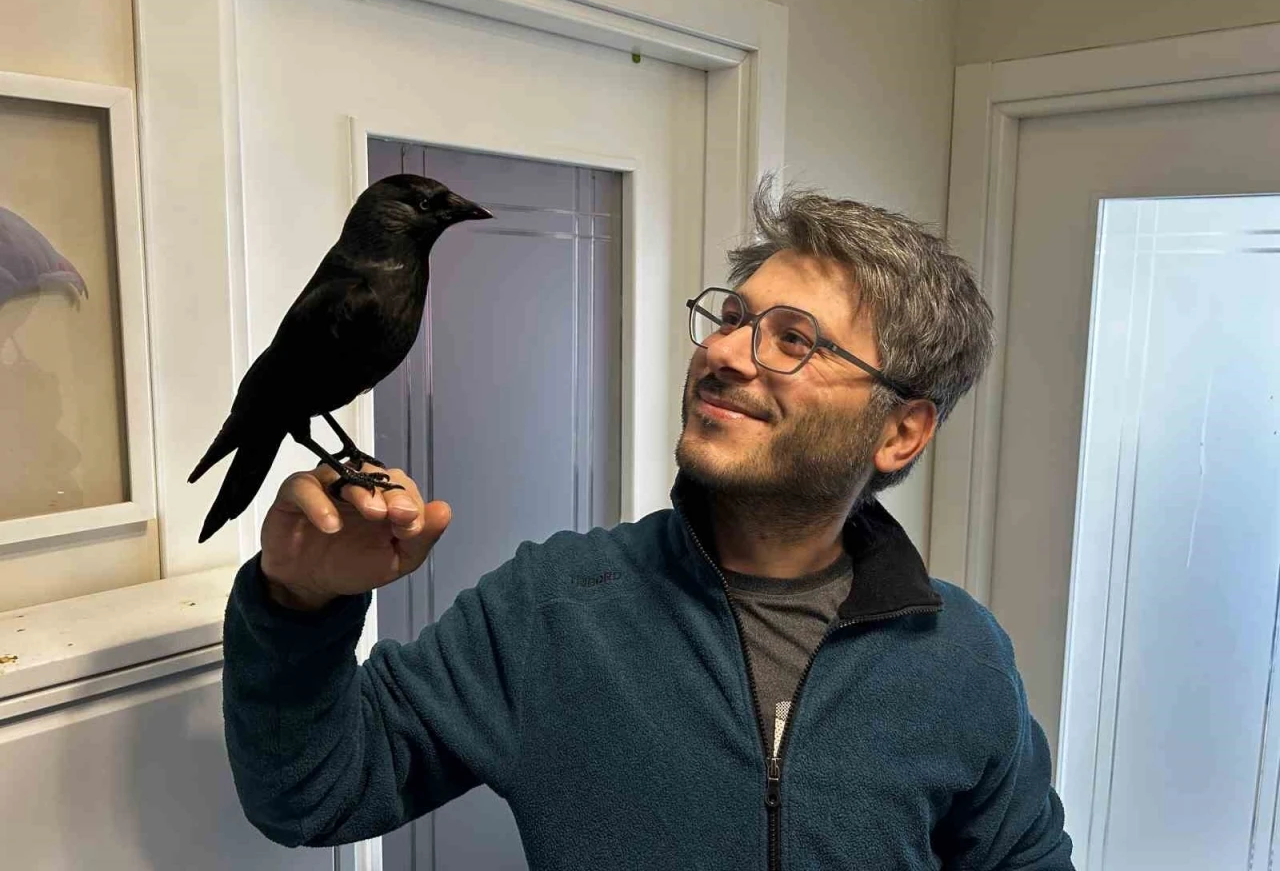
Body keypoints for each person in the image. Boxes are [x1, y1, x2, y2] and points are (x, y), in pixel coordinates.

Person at [223, 178, 1073, 869]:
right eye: (733, 319)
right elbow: (313, 796)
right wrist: (297, 604)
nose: (724, 353)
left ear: (900, 432)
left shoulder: (962, 657)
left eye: (793, 340)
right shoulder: (551, 610)